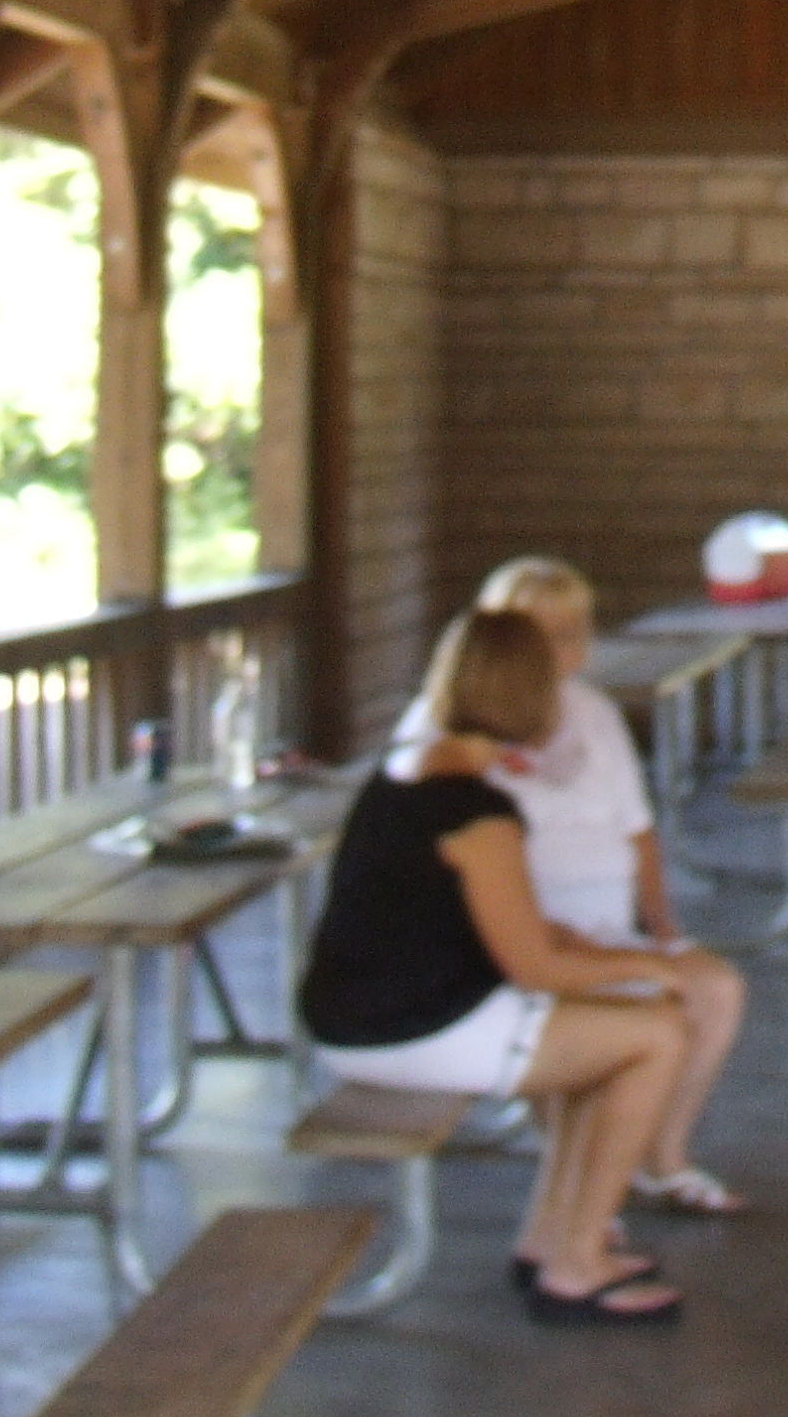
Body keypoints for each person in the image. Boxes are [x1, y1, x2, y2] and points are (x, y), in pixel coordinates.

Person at [304, 608, 695, 1324]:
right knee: (658, 1036)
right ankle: (577, 1266)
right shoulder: (476, 811)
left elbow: (499, 923)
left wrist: (611, 959)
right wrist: (654, 972)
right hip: (405, 1028)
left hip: (362, 1013)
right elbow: (535, 968)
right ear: (532, 697)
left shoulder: (407, 777)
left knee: (614, 1031)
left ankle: (550, 1239)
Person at [389, 560, 750, 1218]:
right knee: (621, 1013)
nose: (562, 650)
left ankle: (659, 1158)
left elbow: (638, 831)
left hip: (604, 921)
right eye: (542, 634)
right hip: (520, 929)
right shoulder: (447, 732)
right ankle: (580, 1195)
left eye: (574, 633)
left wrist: (661, 931)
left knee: (716, 987)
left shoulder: (596, 712)